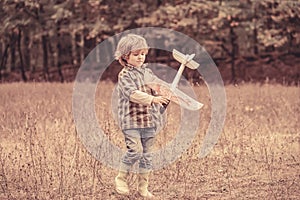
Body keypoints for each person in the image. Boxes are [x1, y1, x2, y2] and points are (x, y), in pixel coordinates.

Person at [114, 33, 169, 198]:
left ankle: (143, 188)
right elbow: (133, 94)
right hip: (131, 121)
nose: (140, 58)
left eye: (143, 54)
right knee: (135, 151)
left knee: (147, 156)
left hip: (148, 121)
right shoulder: (124, 75)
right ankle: (121, 178)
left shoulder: (147, 73)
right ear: (125, 56)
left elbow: (158, 87)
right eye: (136, 54)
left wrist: (166, 92)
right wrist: (153, 99)